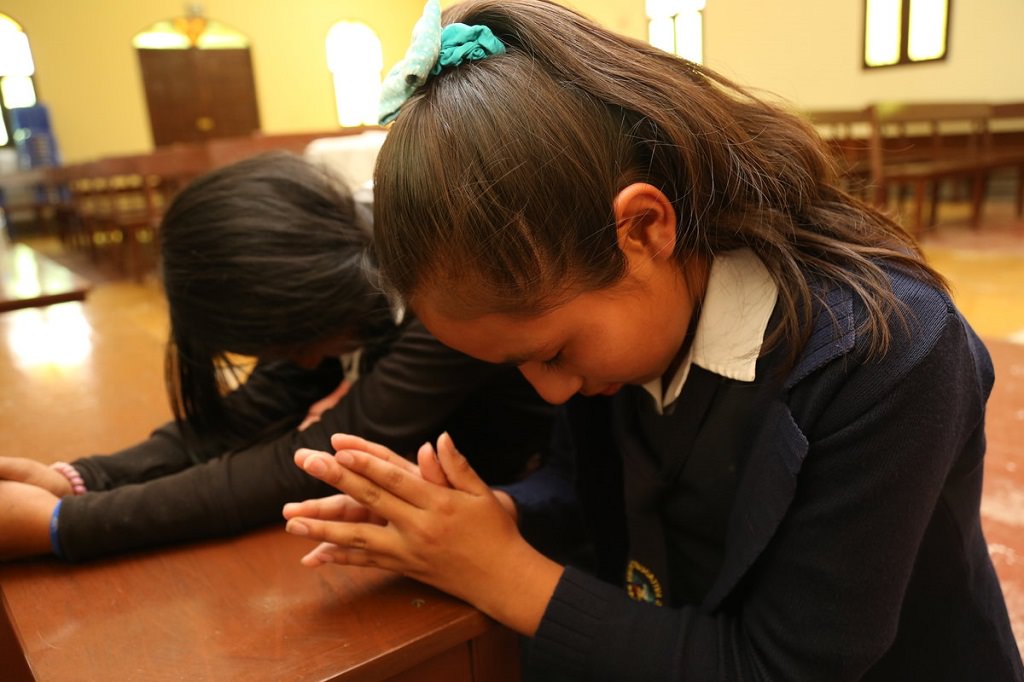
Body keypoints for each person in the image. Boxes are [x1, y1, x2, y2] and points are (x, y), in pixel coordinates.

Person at [281, 1, 1024, 680]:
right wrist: (494, 520)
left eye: (553, 354)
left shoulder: (887, 355)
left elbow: (785, 666)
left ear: (643, 228)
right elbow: (583, 490)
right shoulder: (620, 324)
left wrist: (505, 573)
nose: (550, 390)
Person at [0, 151, 555, 563]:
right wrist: (78, 479)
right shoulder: (336, 265)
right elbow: (250, 410)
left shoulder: (443, 293)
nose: (306, 365)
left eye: (290, 346)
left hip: (534, 509)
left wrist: (65, 525)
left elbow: (313, 461)